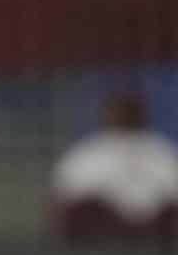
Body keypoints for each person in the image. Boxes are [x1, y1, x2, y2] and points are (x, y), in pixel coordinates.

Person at [49, 91, 178, 245]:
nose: (122, 116)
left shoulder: (160, 148)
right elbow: (64, 195)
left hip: (155, 222)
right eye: (117, 111)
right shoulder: (89, 149)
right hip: (105, 222)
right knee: (83, 210)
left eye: (127, 111)